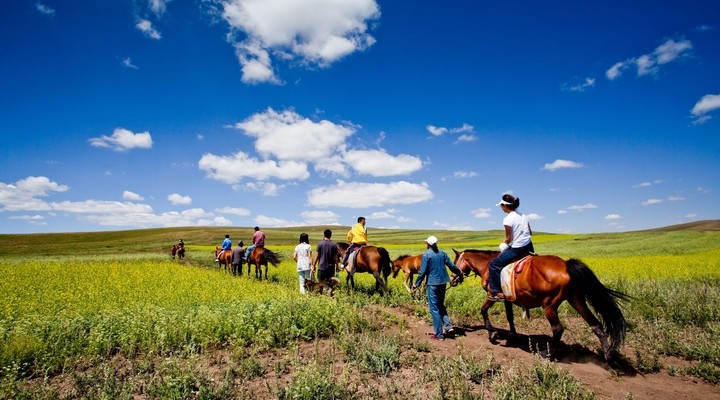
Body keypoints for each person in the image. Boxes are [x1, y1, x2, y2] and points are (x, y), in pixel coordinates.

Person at [412, 235, 463, 341]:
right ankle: (448, 326)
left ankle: (439, 334)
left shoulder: (426, 255)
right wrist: (460, 272)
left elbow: (422, 271)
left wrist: (416, 284)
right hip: (443, 282)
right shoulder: (442, 253)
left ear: (428, 244)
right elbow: (452, 266)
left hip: (433, 284)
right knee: (440, 305)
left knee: (434, 308)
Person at [487, 194, 534, 302]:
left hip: (517, 248)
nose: (501, 208)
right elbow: (530, 232)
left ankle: (497, 292)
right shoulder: (523, 215)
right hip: (529, 246)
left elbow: (509, 238)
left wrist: (503, 244)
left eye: (501, 206)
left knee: (494, 264)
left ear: (505, 205)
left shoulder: (508, 219)